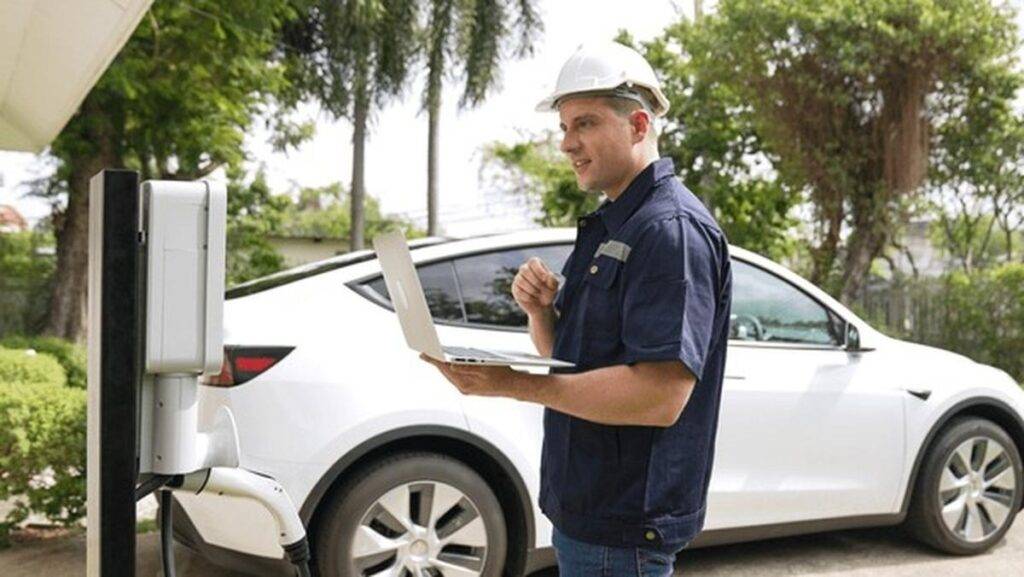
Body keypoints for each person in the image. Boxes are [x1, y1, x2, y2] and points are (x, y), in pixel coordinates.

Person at [421, 41, 733, 577]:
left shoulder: (669, 232)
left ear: (638, 125)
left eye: (584, 124)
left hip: (624, 524)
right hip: (587, 510)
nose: (567, 144)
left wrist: (510, 383)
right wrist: (543, 314)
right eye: (564, 127)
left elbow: (660, 396)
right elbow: (573, 358)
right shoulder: (614, 222)